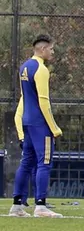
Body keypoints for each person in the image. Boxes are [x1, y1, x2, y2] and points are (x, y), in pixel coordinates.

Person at [10, 34, 64, 218]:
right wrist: (54, 127)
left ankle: (16, 206)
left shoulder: (24, 67)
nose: (52, 51)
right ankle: (40, 205)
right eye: (50, 48)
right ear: (42, 49)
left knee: (26, 163)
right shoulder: (41, 70)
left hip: (27, 121)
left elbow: (26, 98)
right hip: (40, 124)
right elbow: (43, 101)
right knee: (45, 163)